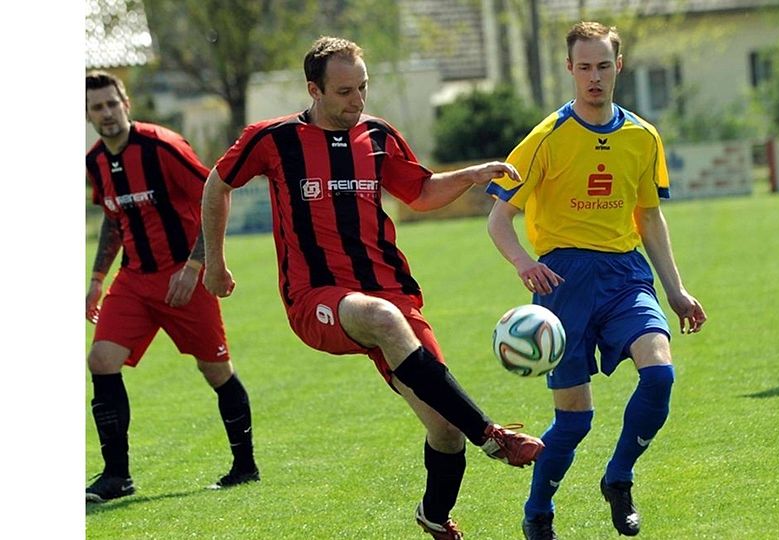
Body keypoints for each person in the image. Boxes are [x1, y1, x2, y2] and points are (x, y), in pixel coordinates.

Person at [200, 36, 544, 540]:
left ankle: (434, 515)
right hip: (316, 297)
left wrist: (469, 176)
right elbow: (218, 183)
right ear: (313, 89)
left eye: (362, 87)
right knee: (382, 320)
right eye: (344, 92)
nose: (357, 100)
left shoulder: (378, 135)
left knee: (445, 429)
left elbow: (420, 193)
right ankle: (492, 435)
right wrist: (214, 262)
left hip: (391, 292)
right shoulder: (273, 139)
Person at [486, 22, 707, 539]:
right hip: (563, 282)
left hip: (626, 274)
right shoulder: (546, 138)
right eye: (584, 67)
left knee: (660, 376)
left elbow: (649, 216)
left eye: (603, 66)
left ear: (618, 66)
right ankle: (538, 510)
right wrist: (523, 264)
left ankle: (619, 478)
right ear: (569, 68)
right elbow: (499, 219)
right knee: (574, 422)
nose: (594, 77)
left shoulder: (643, 136)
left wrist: (675, 289)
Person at [84, 71, 259, 503]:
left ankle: (245, 466)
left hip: (185, 277)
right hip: (134, 280)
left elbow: (214, 195)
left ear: (126, 103)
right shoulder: (95, 161)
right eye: (96, 107)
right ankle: (116, 476)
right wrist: (97, 279)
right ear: (87, 115)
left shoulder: (163, 146)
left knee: (215, 371)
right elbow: (113, 219)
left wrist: (196, 265)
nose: (106, 113)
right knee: (101, 360)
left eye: (111, 103)